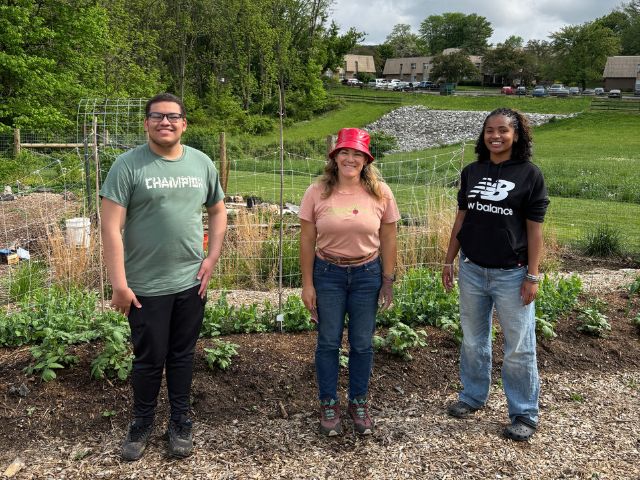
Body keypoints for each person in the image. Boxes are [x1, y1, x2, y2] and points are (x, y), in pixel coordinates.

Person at [100, 93, 227, 460]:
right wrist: (119, 284)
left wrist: (212, 257)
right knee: (148, 359)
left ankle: (180, 421)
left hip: (191, 282)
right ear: (146, 123)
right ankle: (141, 423)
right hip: (144, 287)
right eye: (157, 116)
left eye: (173, 117)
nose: (165, 122)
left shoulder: (201, 163)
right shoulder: (127, 166)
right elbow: (110, 228)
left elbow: (218, 212)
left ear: (184, 124)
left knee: (183, 356)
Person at [441, 108, 549, 442]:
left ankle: (524, 414)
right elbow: (462, 220)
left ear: (517, 135)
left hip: (512, 275)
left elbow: (534, 232)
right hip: (473, 271)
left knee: (519, 346)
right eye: (490, 130)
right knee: (474, 340)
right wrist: (449, 260)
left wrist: (533, 276)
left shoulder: (530, 175)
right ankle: (473, 396)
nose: (496, 136)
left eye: (503, 130)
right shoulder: (472, 172)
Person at [299, 128, 400, 436]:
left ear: (366, 160)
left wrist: (388, 279)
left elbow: (389, 237)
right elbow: (306, 238)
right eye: (345, 152)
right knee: (328, 341)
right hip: (327, 273)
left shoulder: (380, 192)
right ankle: (329, 403)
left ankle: (358, 401)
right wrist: (307, 284)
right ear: (335, 156)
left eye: (357, 154)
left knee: (361, 343)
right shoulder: (317, 192)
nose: (350, 158)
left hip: (366, 275)